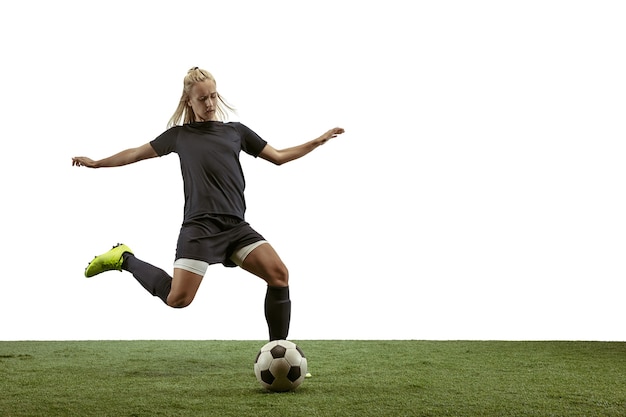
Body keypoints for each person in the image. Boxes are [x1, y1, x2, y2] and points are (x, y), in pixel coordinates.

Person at [72, 67, 344, 341]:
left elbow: (279, 156)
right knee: (177, 299)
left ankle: (279, 352)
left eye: (213, 96)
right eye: (202, 99)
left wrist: (317, 142)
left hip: (235, 227)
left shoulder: (236, 132)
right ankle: (124, 258)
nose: (210, 104)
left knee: (279, 275)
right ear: (188, 100)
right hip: (200, 228)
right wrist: (97, 163)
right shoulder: (179, 136)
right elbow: (134, 154)